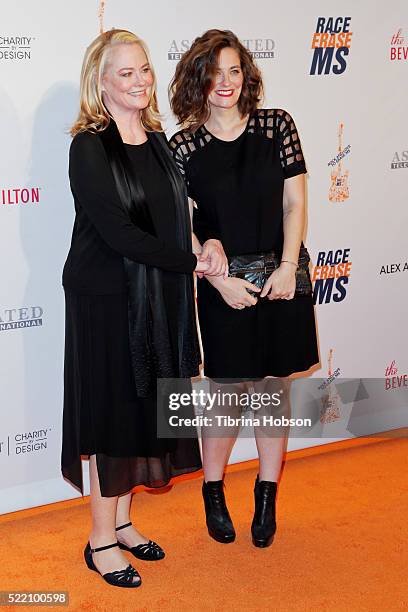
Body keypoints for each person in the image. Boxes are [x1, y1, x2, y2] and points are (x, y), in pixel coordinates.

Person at [62, 29, 210, 588]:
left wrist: (203, 247)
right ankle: (99, 541)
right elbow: (120, 233)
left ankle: (123, 523)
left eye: (144, 69)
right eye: (126, 73)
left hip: (158, 296)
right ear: (100, 83)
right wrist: (187, 262)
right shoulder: (88, 147)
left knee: (145, 408)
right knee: (114, 418)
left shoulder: (159, 140)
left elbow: (179, 215)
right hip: (105, 301)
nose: (141, 80)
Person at [169, 29, 319, 548]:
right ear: (198, 80)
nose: (225, 82)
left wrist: (286, 264)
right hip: (222, 286)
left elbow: (295, 205)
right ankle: (213, 491)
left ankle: (266, 494)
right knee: (227, 394)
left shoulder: (277, 126)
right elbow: (180, 226)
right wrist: (218, 279)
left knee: (274, 387)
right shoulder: (182, 146)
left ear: (246, 75)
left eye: (234, 70)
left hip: (281, 277)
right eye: (214, 72)